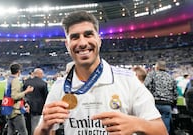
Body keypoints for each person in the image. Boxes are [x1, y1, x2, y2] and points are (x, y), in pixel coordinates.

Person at [34, 10, 167, 135]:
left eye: (88, 35)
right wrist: (44, 126)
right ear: (67, 45)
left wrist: (137, 124)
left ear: (99, 40)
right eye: (74, 37)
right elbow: (42, 131)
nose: (82, 43)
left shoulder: (128, 80)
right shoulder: (59, 87)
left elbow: (161, 131)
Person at [144, 60, 178, 133]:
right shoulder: (170, 77)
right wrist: (173, 104)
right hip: (167, 104)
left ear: (157, 67)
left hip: (154, 103)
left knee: (152, 125)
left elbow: (145, 87)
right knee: (165, 127)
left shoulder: (152, 74)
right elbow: (175, 93)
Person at [4, 63, 34, 135]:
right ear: (19, 71)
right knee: (23, 132)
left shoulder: (9, 80)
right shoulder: (15, 80)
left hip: (8, 109)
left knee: (11, 132)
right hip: (15, 110)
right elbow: (14, 96)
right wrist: (26, 91)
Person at [23, 68, 48, 135]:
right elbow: (46, 97)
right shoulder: (43, 83)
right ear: (39, 74)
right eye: (42, 74)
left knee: (27, 125)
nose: (43, 75)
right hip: (38, 108)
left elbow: (23, 94)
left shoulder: (26, 82)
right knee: (35, 125)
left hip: (26, 106)